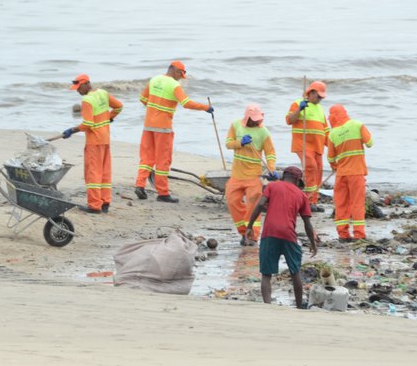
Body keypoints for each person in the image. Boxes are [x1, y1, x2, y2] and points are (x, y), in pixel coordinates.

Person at [134, 60, 213, 203]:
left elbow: (143, 98)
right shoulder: (174, 85)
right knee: (163, 160)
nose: (180, 79)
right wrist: (205, 108)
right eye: (180, 75)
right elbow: (186, 103)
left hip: (148, 125)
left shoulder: (154, 80)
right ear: (176, 71)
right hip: (163, 128)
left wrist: (154, 110)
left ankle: (140, 185)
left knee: (146, 158)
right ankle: (163, 193)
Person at [246, 166, 318, 309]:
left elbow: (260, 204)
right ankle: (298, 307)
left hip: (269, 232)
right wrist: (312, 243)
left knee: (266, 274)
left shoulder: (272, 186)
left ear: (283, 177)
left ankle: (268, 307)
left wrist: (249, 226)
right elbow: (307, 223)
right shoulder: (302, 195)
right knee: (295, 272)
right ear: (298, 180)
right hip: (288, 234)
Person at [62, 74, 123, 214]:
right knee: (105, 172)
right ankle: (105, 203)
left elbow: (88, 124)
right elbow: (119, 107)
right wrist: (109, 118)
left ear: (85, 84)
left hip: (94, 141)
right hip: (106, 139)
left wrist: (72, 130)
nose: (78, 91)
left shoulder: (87, 100)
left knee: (93, 173)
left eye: (78, 88)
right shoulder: (103, 93)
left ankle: (95, 205)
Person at [224, 104, 277, 246]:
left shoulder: (263, 132)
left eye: (257, 119)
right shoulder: (236, 125)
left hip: (254, 176)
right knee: (232, 201)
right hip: (237, 174)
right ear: (247, 117)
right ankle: (244, 232)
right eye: (252, 119)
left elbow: (270, 153)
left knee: (253, 205)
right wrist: (240, 142)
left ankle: (252, 236)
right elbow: (228, 144)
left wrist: (271, 168)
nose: (255, 122)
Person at [327, 104, 373, 241]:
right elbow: (370, 142)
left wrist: (335, 166)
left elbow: (330, 158)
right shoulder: (357, 125)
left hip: (341, 175)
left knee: (341, 204)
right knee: (357, 203)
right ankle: (359, 234)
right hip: (356, 173)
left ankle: (343, 234)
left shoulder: (333, 133)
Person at [285, 81, 329, 212]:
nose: (320, 99)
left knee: (319, 170)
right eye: (319, 96)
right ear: (311, 92)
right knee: (311, 167)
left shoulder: (320, 109)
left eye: (322, 97)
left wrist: (333, 147)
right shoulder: (298, 103)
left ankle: (313, 201)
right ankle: (308, 201)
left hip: (318, 146)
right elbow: (289, 120)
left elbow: (326, 130)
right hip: (303, 144)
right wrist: (300, 109)